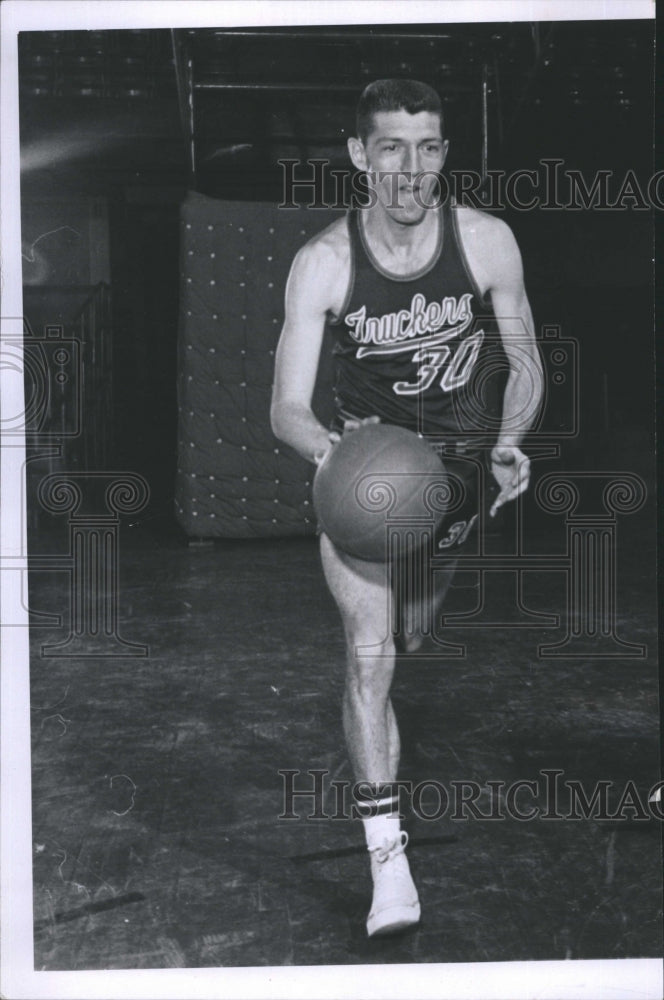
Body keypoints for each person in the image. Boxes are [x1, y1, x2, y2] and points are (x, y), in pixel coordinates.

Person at [271, 79, 543, 937]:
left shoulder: (488, 242)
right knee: (369, 653)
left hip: (457, 479)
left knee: (413, 638)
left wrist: (508, 439)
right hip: (365, 485)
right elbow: (284, 407)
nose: (409, 167)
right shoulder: (324, 260)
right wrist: (338, 460)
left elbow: (525, 360)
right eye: (390, 146)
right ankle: (388, 860)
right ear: (360, 155)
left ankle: (390, 719)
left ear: (443, 155)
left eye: (426, 147)